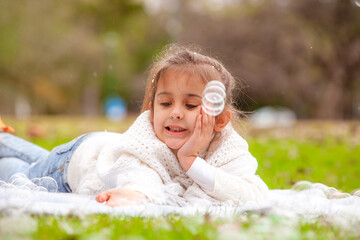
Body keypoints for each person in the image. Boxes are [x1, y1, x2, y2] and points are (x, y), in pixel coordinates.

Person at [0, 44, 268, 207]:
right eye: (165, 104)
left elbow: (251, 193)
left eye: (189, 105)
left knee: (32, 160)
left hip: (104, 146)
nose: (174, 113)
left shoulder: (228, 149)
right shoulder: (145, 138)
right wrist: (135, 195)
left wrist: (191, 161)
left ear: (220, 120)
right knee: (19, 174)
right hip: (74, 163)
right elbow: (140, 177)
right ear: (153, 110)